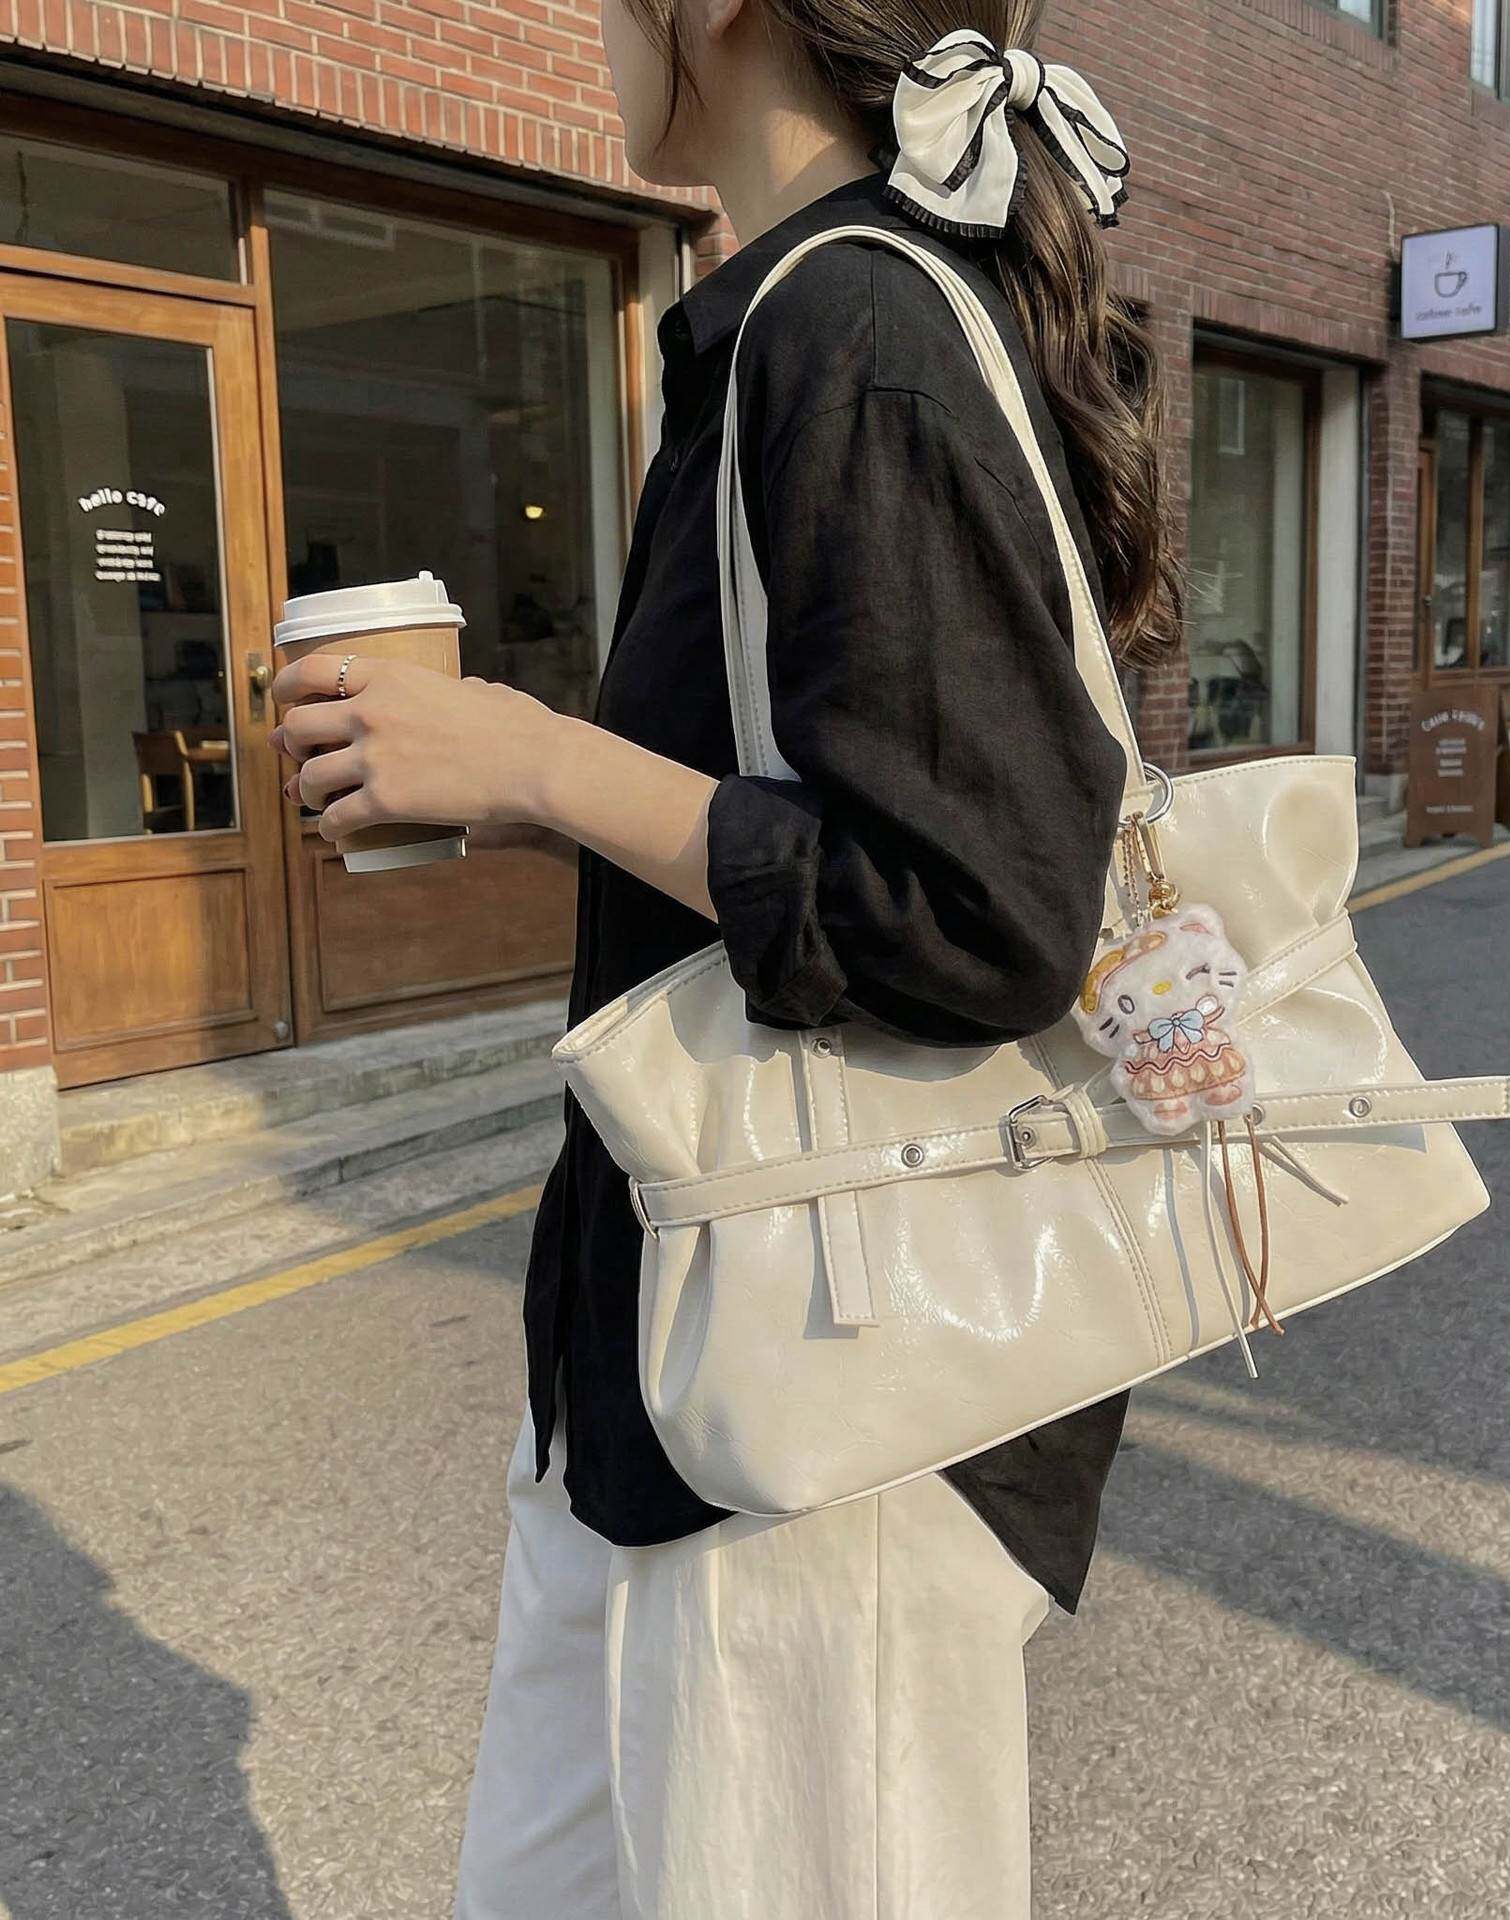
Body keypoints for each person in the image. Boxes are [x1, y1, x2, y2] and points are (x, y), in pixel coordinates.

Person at [269, 2, 1180, 1912]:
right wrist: (539, 799)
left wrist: (546, 760)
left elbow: (985, 904)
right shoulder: (786, 326)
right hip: (677, 1357)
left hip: (821, 1416)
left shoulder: (859, 328)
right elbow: (839, 810)